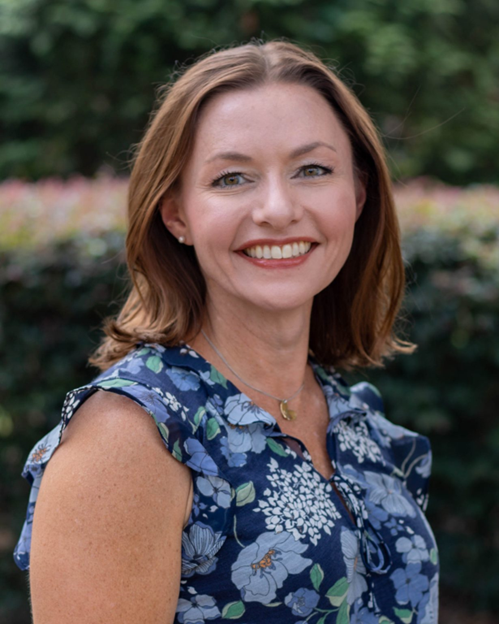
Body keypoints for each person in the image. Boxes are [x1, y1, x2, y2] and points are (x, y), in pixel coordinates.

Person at [14, 40, 439, 623]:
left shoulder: (350, 416)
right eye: (233, 178)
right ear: (177, 214)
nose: (277, 208)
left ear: (358, 194)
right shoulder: (130, 438)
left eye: (312, 170)